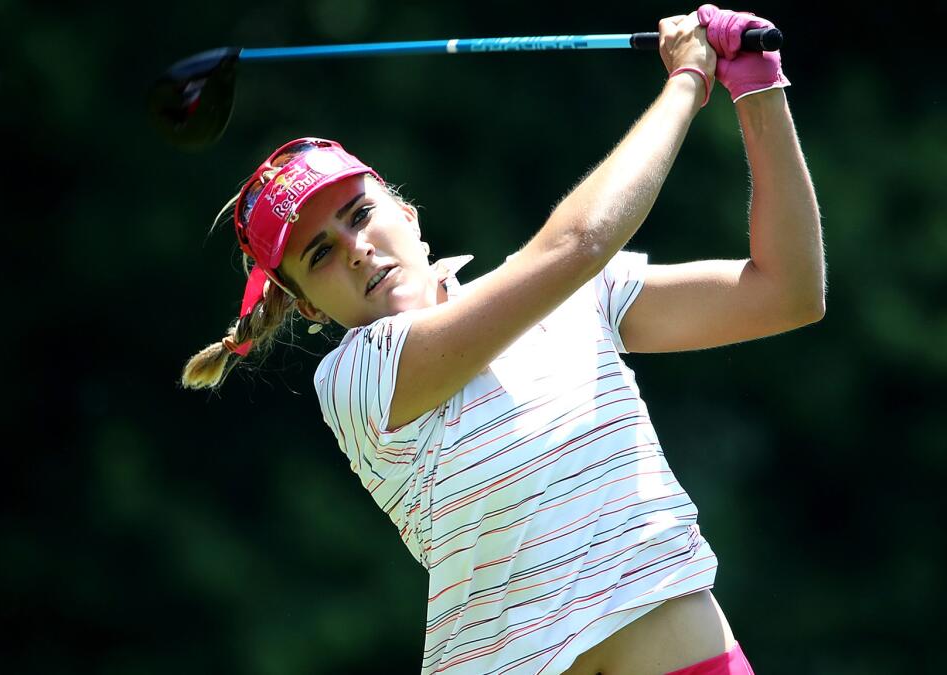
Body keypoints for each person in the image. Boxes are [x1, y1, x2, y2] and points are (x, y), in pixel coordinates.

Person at [182, 4, 823, 674]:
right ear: (309, 303)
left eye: (360, 214)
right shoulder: (357, 380)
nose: (356, 250)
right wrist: (688, 81)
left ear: (405, 211)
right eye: (320, 254)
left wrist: (758, 91)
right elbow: (579, 242)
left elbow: (787, 290)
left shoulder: (576, 296)